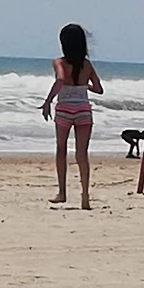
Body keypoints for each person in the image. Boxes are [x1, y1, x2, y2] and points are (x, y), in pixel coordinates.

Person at [40, 22, 104, 209]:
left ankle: (62, 192)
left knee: (61, 149)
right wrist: (84, 86)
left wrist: (48, 101)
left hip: (65, 109)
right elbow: (99, 89)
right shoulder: (87, 64)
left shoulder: (59, 62)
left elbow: (60, 79)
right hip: (83, 109)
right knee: (82, 153)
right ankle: (85, 195)